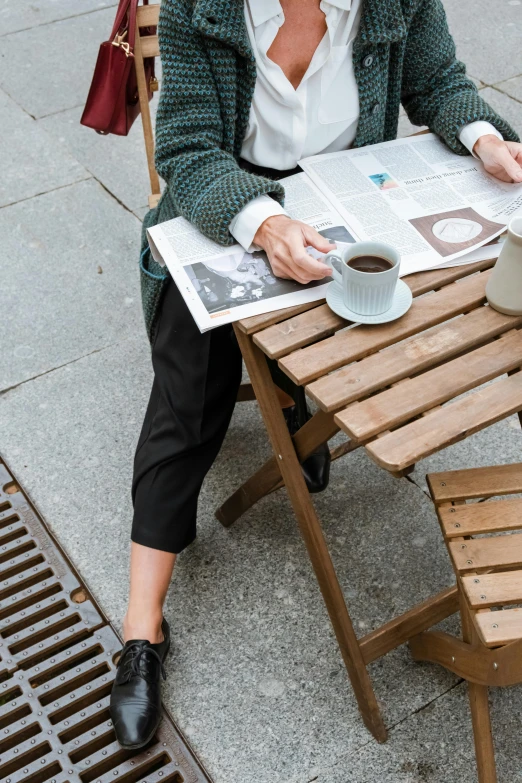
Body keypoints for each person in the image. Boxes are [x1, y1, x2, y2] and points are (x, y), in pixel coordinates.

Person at [109, 0, 522, 748]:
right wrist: (263, 223)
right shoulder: (202, 9)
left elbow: (439, 84)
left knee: (446, 316)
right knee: (187, 399)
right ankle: (142, 630)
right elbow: (188, 149)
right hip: (225, 209)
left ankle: (306, 418)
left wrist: (486, 136)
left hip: (346, 206)